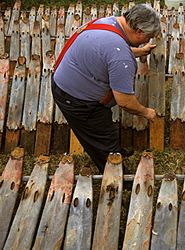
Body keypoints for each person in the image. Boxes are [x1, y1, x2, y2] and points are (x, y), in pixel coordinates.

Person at [52, 4, 161, 173]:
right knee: (103, 140)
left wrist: (138, 51)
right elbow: (125, 102)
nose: (148, 41)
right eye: (148, 37)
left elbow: (105, 52)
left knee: (105, 130)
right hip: (77, 100)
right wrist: (146, 112)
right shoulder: (121, 56)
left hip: (66, 83)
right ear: (139, 32)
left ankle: (112, 150)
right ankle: (116, 176)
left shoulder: (107, 23)